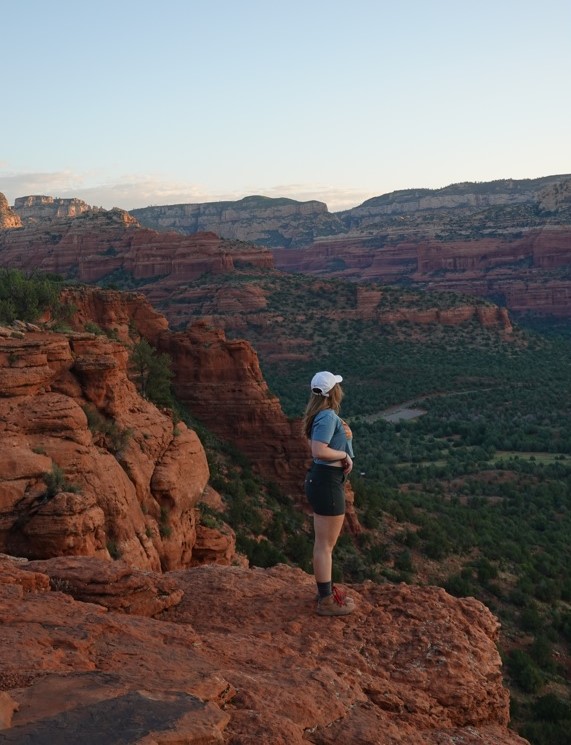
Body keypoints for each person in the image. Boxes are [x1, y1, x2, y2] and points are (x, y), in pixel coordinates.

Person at [302, 370, 355, 616]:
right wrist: (344, 455)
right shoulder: (326, 417)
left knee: (323, 543)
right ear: (334, 392)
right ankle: (326, 601)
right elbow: (319, 450)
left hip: (323, 480)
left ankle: (325, 591)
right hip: (327, 483)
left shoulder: (321, 415)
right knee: (325, 545)